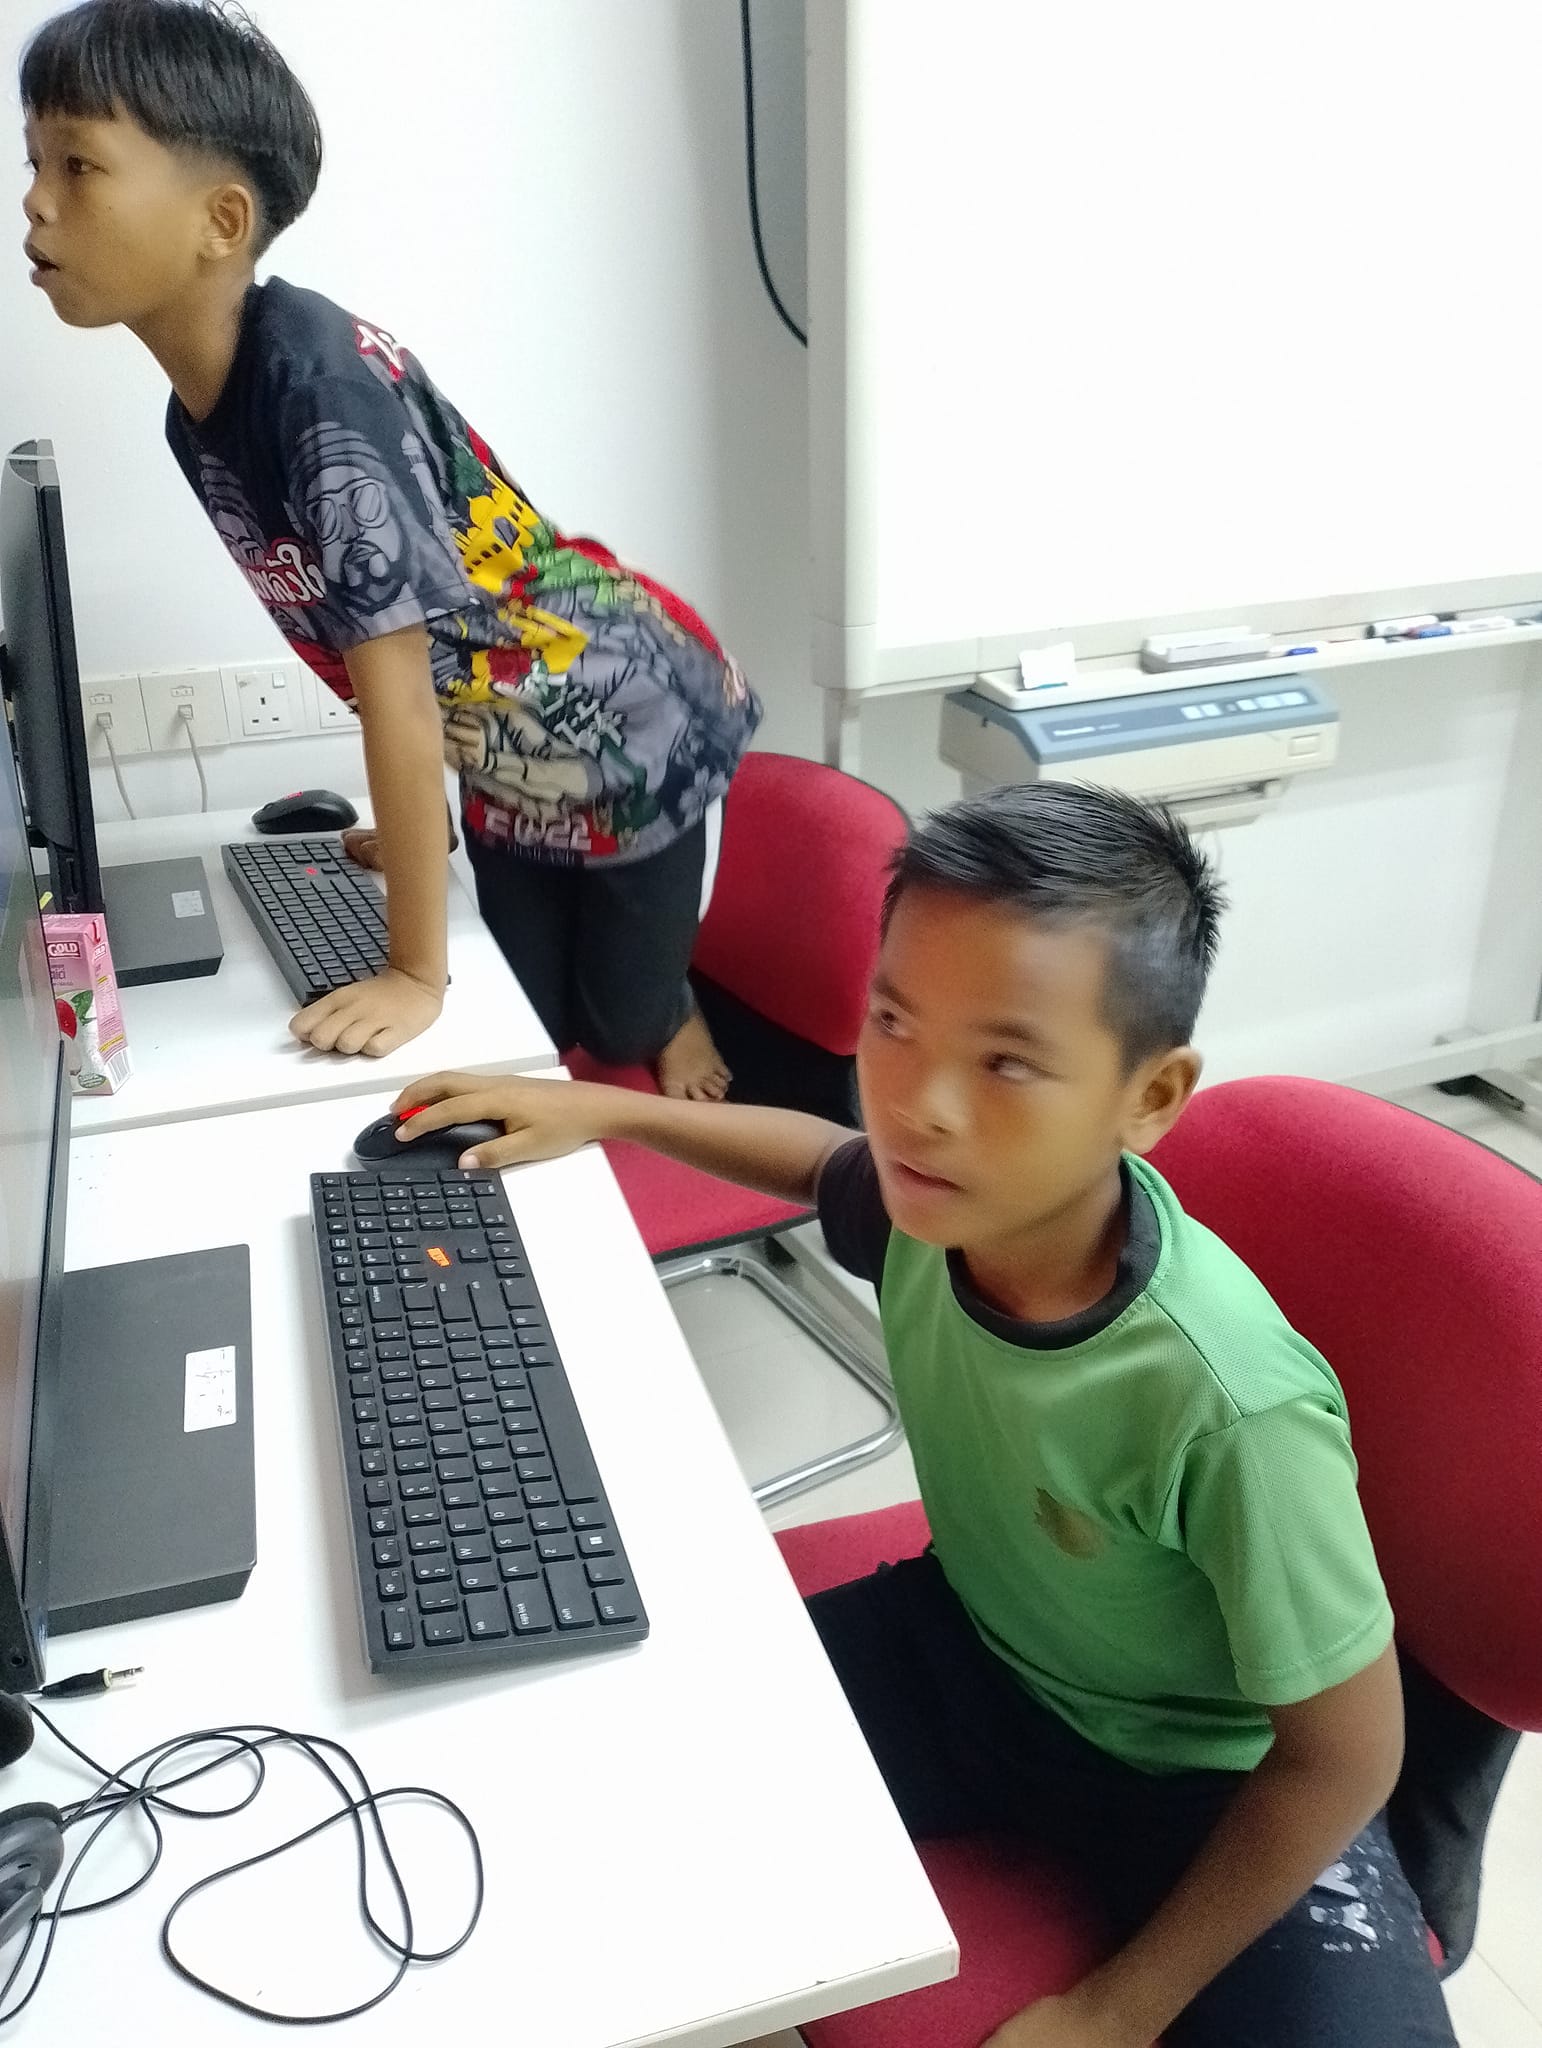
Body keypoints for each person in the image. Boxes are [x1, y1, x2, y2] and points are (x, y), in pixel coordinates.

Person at [389, 782, 1458, 2047]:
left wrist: (1113, 2012)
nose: (919, 1103)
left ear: (1153, 1095)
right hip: (978, 1651)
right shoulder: (940, 1206)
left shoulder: (1229, 1404)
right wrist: (602, 1109)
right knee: (608, 1783)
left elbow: (1347, 1754)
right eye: (894, 1020)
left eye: (1006, 1060)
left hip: (1200, 1779)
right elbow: (818, 1156)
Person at [19, 0, 760, 1096]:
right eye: (34, 160)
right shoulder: (200, 416)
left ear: (222, 220)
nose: (36, 200)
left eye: (78, 165)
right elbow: (346, 630)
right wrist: (419, 832)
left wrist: (415, 973)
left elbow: (398, 693)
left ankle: (674, 1007)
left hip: (625, 724)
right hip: (502, 753)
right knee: (537, 1014)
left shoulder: (321, 401)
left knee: (616, 1021)